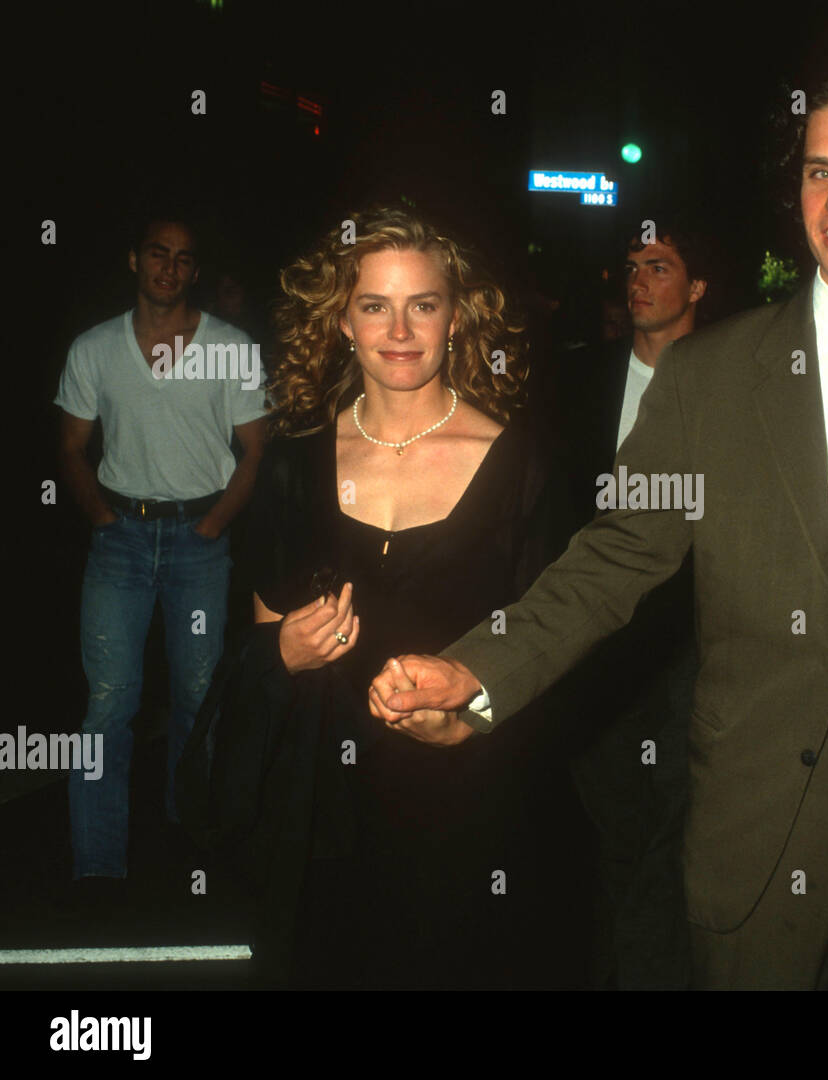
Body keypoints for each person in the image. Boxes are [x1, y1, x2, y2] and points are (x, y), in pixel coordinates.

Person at [372, 64, 828, 989]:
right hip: (755, 831)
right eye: (816, 170)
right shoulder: (709, 378)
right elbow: (612, 557)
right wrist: (475, 673)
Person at [200, 204, 580, 988]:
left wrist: (469, 718)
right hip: (323, 817)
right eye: (375, 305)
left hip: (468, 812)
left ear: (457, 316)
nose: (400, 329)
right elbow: (255, 658)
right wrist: (283, 651)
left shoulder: (526, 466)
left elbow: (558, 655)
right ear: (341, 320)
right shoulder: (292, 463)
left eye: (423, 304)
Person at [55, 210, 267, 887]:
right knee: (109, 701)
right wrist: (100, 517)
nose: (169, 267)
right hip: (119, 542)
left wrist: (212, 527)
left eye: (182, 258)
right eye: (157, 253)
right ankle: (96, 866)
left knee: (198, 693)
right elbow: (71, 447)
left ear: (194, 271)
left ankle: (191, 835)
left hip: (199, 544)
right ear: (134, 260)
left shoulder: (231, 345)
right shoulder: (93, 348)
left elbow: (256, 450)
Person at [536, 215, 712, 988]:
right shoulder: (579, 380)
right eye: (633, 266)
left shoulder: (734, 382)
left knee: (679, 824)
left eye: (660, 266)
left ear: (697, 285)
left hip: (698, 645)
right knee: (612, 825)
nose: (639, 280)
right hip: (601, 648)